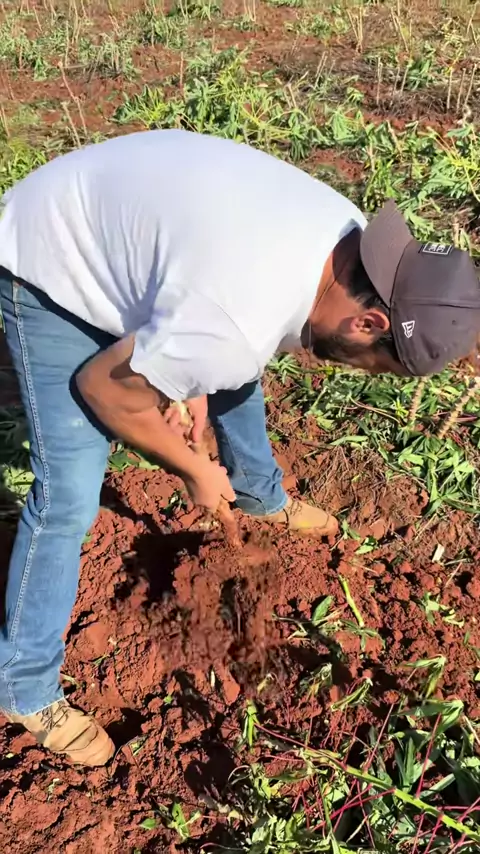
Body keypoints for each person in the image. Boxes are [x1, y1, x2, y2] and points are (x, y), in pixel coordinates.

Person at [0, 130, 478, 767]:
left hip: (130, 232)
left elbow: (211, 306)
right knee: (67, 494)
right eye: (376, 364)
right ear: (370, 322)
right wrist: (192, 467)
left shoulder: (352, 247)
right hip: (47, 252)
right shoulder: (234, 322)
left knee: (235, 364)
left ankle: (258, 496)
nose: (357, 369)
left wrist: (187, 380)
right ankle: (24, 686)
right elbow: (104, 390)